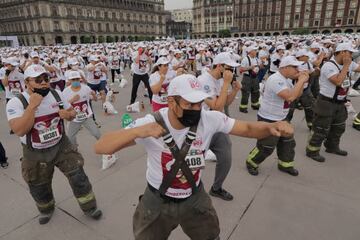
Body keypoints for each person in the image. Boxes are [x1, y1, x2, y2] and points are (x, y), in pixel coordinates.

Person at [95, 74, 293, 240]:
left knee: (211, 236)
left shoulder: (209, 119)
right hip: (157, 201)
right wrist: (138, 132)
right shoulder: (152, 123)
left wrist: (270, 126)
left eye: (199, 103)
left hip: (195, 197)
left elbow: (247, 128)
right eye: (190, 104)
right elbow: (101, 146)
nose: (197, 110)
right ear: (172, 102)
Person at [6, 65, 102, 225]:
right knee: (38, 184)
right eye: (38, 80)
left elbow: (73, 112)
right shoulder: (17, 102)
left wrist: (69, 115)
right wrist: (32, 106)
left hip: (61, 144)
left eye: (46, 79)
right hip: (34, 151)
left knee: (78, 175)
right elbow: (19, 130)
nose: (44, 83)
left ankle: (89, 207)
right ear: (27, 82)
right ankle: (46, 209)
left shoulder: (56, 94)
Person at [246, 56, 310, 176]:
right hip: (269, 119)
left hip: (282, 118)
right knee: (266, 146)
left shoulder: (287, 79)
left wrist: (301, 82)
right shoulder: (276, 79)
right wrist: (301, 80)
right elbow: (290, 97)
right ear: (285, 67)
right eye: (295, 67)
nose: (298, 69)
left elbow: (297, 95)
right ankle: (252, 162)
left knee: (288, 143)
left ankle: (285, 164)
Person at [197, 52, 241, 201]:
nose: (231, 72)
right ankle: (189, 190)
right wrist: (227, 85)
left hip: (215, 125)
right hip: (200, 127)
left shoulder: (222, 80)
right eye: (229, 68)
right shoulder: (203, 80)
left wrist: (234, 90)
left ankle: (216, 188)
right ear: (220, 66)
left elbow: (225, 103)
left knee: (226, 157)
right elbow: (216, 107)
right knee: (194, 162)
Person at [306, 43, 360, 162]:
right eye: (349, 53)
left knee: (339, 127)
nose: (351, 55)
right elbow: (338, 81)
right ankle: (312, 150)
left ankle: (332, 146)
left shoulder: (349, 64)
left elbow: (358, 68)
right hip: (326, 102)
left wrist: (348, 65)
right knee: (321, 128)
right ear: (342, 52)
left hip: (340, 102)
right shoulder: (329, 66)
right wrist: (346, 66)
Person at [62, 71, 100, 147]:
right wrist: (72, 100)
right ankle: (75, 147)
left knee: (96, 133)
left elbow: (95, 99)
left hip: (87, 116)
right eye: (73, 80)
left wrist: (93, 94)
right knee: (70, 138)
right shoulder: (66, 91)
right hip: (74, 119)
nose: (75, 81)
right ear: (69, 80)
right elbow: (63, 106)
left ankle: (106, 147)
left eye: (77, 79)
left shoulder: (86, 88)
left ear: (80, 79)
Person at [286, 49, 315, 130]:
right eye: (306, 56)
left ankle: (310, 123)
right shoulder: (294, 65)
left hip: (305, 89)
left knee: (309, 107)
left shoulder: (308, 63)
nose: (308, 57)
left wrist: (315, 72)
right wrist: (306, 73)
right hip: (293, 90)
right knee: (290, 109)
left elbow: (312, 72)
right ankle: (286, 124)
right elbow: (296, 75)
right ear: (301, 57)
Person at [239, 45, 262, 113]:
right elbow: (241, 69)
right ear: (250, 52)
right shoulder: (245, 59)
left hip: (255, 77)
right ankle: (243, 107)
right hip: (247, 78)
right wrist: (250, 67)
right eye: (254, 50)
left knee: (256, 91)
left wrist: (261, 65)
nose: (256, 51)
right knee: (246, 93)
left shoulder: (256, 59)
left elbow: (260, 67)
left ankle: (254, 105)